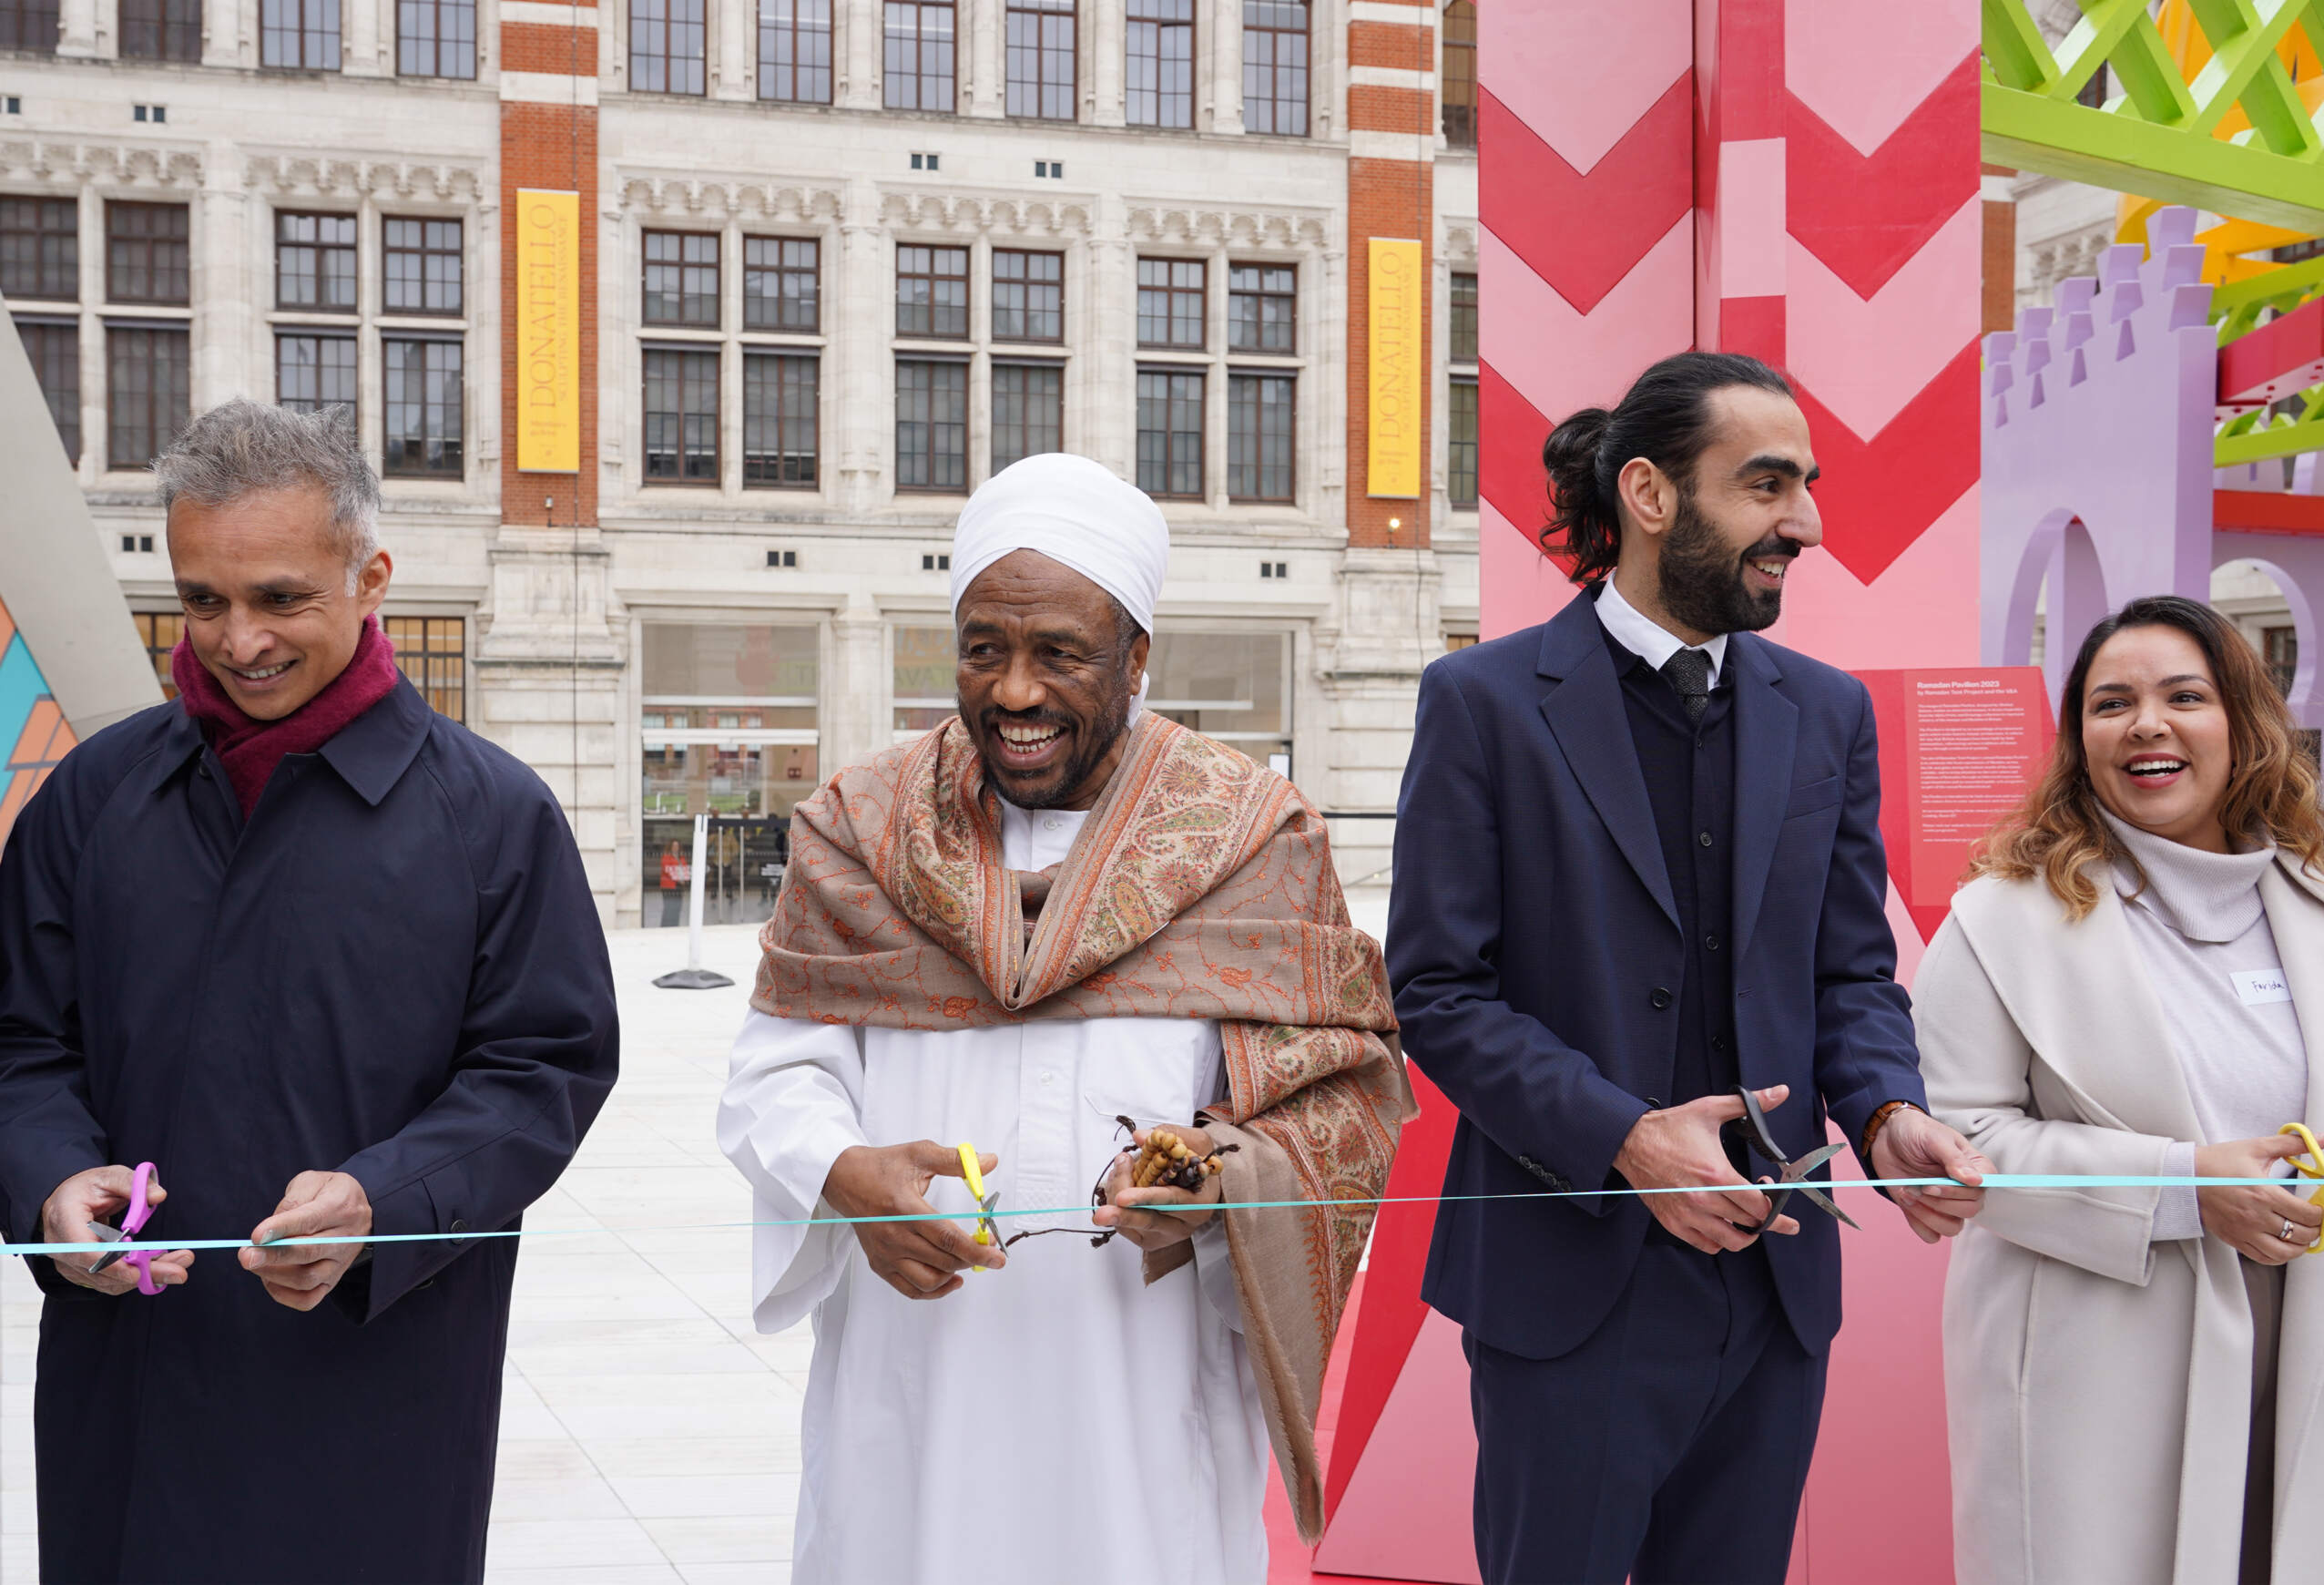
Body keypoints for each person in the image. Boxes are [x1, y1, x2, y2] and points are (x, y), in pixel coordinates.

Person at [717, 452, 1411, 1583]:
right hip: (914, 1376)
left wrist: (1219, 1175)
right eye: (984, 648)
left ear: (1137, 657)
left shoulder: (1253, 839)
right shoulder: (860, 827)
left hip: (1142, 1386)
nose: (1016, 691)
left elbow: (1342, 1095)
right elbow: (775, 1071)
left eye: (1059, 654)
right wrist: (837, 1171)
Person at [1387, 352, 1990, 1585]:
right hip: (1565, 1289)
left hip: (1773, 1294)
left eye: (1807, 485)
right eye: (1767, 485)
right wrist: (1625, 1137)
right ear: (1652, 495)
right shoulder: (1483, 702)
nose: (1805, 524)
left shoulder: (1827, 712)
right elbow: (1440, 994)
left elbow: (1851, 974)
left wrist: (1885, 1113)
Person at [0, 400, 620, 1584]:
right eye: (202, 600)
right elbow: (18, 1040)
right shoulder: (93, 799)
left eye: (280, 598)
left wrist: (383, 1198)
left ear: (370, 574)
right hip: (128, 1393)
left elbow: (543, 1069)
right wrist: (47, 1178)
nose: (238, 642)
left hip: (375, 1391)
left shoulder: (493, 819)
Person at [1917, 595, 2324, 1585]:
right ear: (2079, 740)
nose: (2146, 723)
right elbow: (1964, 1141)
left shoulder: (2316, 897)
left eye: (2182, 696)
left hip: (2302, 1331)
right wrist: (2184, 1188)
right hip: (2098, 1356)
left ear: (2242, 723)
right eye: (2112, 703)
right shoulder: (1998, 918)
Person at [661, 836, 687, 925]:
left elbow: (685, 869)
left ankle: (675, 925)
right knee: (669, 907)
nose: (676, 847)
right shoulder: (666, 857)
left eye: (677, 846)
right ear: (670, 847)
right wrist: (678, 879)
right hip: (669, 886)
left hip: (679, 885)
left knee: (677, 907)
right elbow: (667, 870)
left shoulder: (681, 857)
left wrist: (684, 879)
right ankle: (666, 926)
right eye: (674, 846)